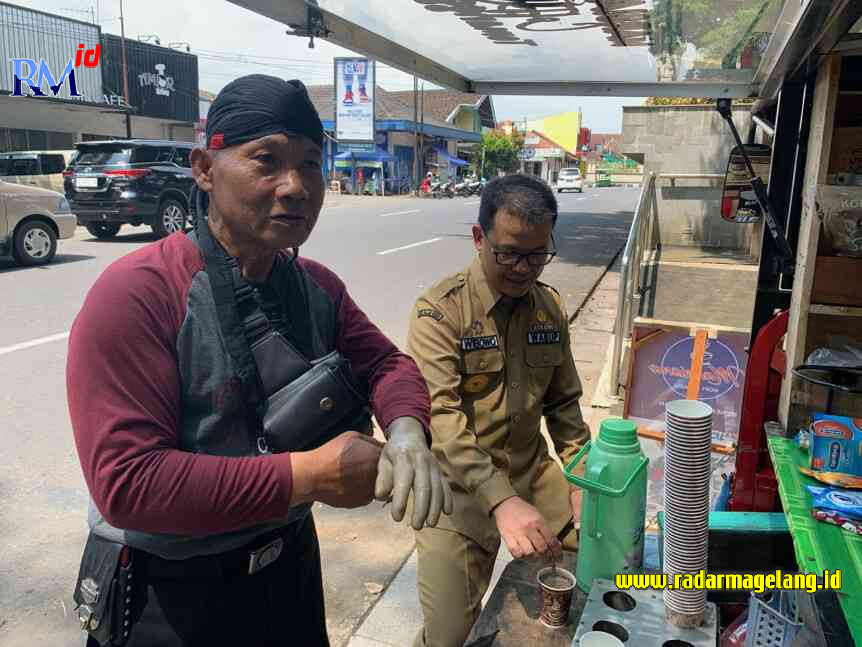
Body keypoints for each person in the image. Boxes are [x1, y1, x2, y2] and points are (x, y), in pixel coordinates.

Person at [67, 74, 451, 647]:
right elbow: (127, 483)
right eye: (266, 161)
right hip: (170, 597)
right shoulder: (139, 293)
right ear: (204, 168)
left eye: (311, 164)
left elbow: (386, 365)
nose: (295, 186)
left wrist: (405, 431)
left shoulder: (317, 288)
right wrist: (309, 475)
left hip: (287, 569)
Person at [406, 174, 591, 647]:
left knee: (595, 572)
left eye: (537, 254)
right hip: (459, 494)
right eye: (508, 253)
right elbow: (442, 420)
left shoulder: (548, 307)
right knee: (450, 635)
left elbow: (565, 404)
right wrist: (502, 501)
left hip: (533, 476)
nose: (523, 269)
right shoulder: (439, 313)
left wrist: (583, 476)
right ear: (478, 238)